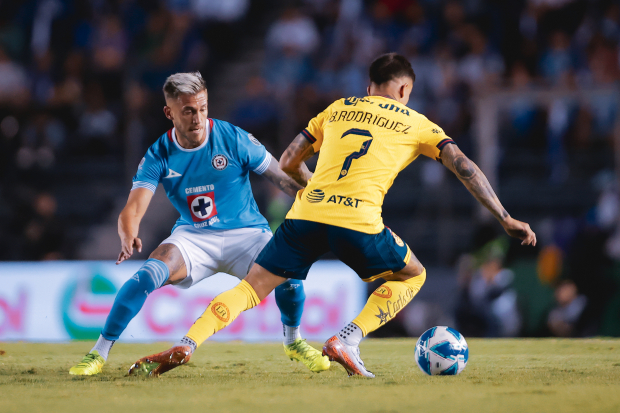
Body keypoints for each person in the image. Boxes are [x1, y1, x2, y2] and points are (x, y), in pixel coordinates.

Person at [129, 54, 536, 378]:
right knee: (414, 274)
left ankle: (188, 342)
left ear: (368, 87)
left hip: (305, 214)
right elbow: (463, 165)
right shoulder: (418, 122)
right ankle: (348, 338)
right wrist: (503, 217)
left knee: (252, 288)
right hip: (359, 221)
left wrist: (318, 194)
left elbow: (288, 161)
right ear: (404, 89)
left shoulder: (339, 108)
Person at [69, 72, 329, 375]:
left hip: (247, 234)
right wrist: (128, 234)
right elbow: (133, 208)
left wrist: (320, 198)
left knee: (291, 274)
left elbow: (283, 180)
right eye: (188, 111)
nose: (197, 118)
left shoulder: (233, 138)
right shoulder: (159, 153)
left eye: (203, 108)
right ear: (170, 113)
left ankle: (293, 341)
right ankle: (97, 354)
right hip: (194, 236)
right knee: (145, 276)